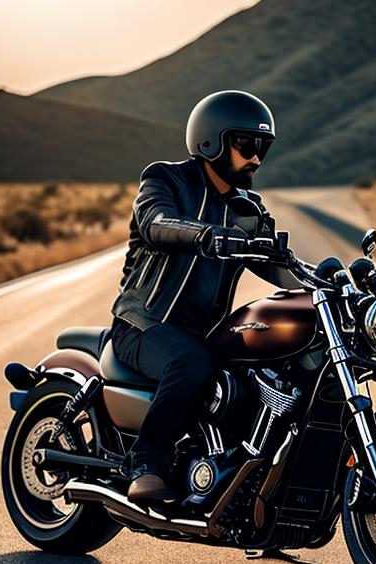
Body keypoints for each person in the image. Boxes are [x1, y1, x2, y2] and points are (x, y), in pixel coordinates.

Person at [109, 90, 298, 506]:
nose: (257, 158)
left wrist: (329, 277)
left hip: (203, 332)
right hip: (144, 324)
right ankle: (147, 463)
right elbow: (156, 222)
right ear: (212, 141)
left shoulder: (249, 208)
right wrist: (206, 235)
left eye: (262, 147)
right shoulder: (165, 179)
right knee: (191, 361)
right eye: (246, 145)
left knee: (266, 364)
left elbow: (277, 262)